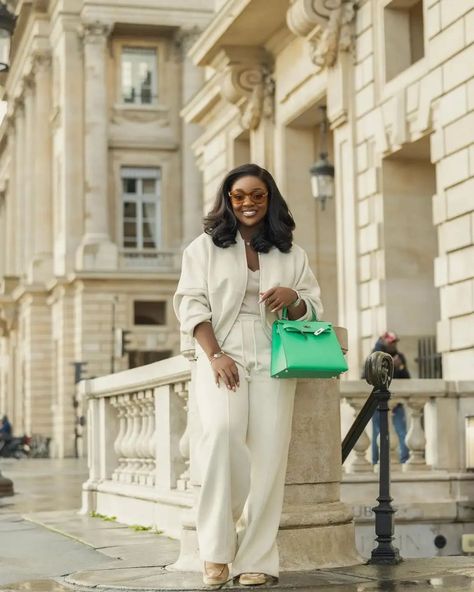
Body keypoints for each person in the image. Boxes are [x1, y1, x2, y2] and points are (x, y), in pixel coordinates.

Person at [174, 163, 323, 587]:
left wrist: (294, 297)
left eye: (257, 195)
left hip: (276, 355)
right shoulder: (202, 249)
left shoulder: (291, 253)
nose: (248, 203)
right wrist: (215, 354)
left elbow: (313, 308)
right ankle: (216, 550)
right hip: (223, 352)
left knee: (270, 456)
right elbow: (190, 303)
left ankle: (256, 557)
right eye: (239, 196)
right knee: (222, 435)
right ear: (227, 200)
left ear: (269, 198)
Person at [370, 331, 410, 464]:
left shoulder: (400, 357)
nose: (394, 345)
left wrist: (399, 368)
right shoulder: (375, 355)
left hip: (396, 402)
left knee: (401, 431)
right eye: (391, 342)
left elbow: (407, 379)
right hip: (378, 402)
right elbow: (367, 378)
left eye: (395, 342)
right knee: (378, 433)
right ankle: (376, 461)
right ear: (383, 341)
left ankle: (404, 459)